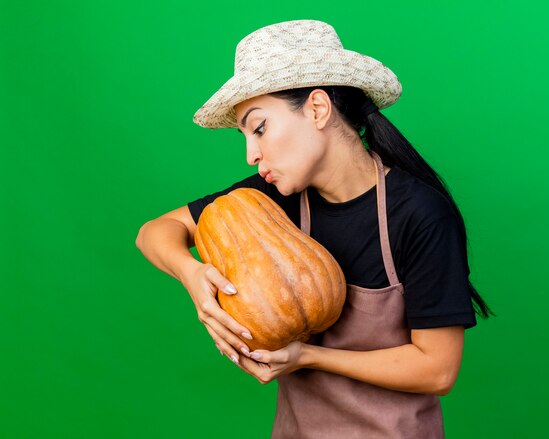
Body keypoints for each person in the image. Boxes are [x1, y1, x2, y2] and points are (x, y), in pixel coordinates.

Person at [136, 19, 494, 439]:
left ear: (318, 109)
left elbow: (437, 370)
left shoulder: (419, 213)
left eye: (259, 128)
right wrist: (191, 273)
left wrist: (307, 356)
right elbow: (155, 231)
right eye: (245, 137)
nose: (251, 154)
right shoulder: (275, 198)